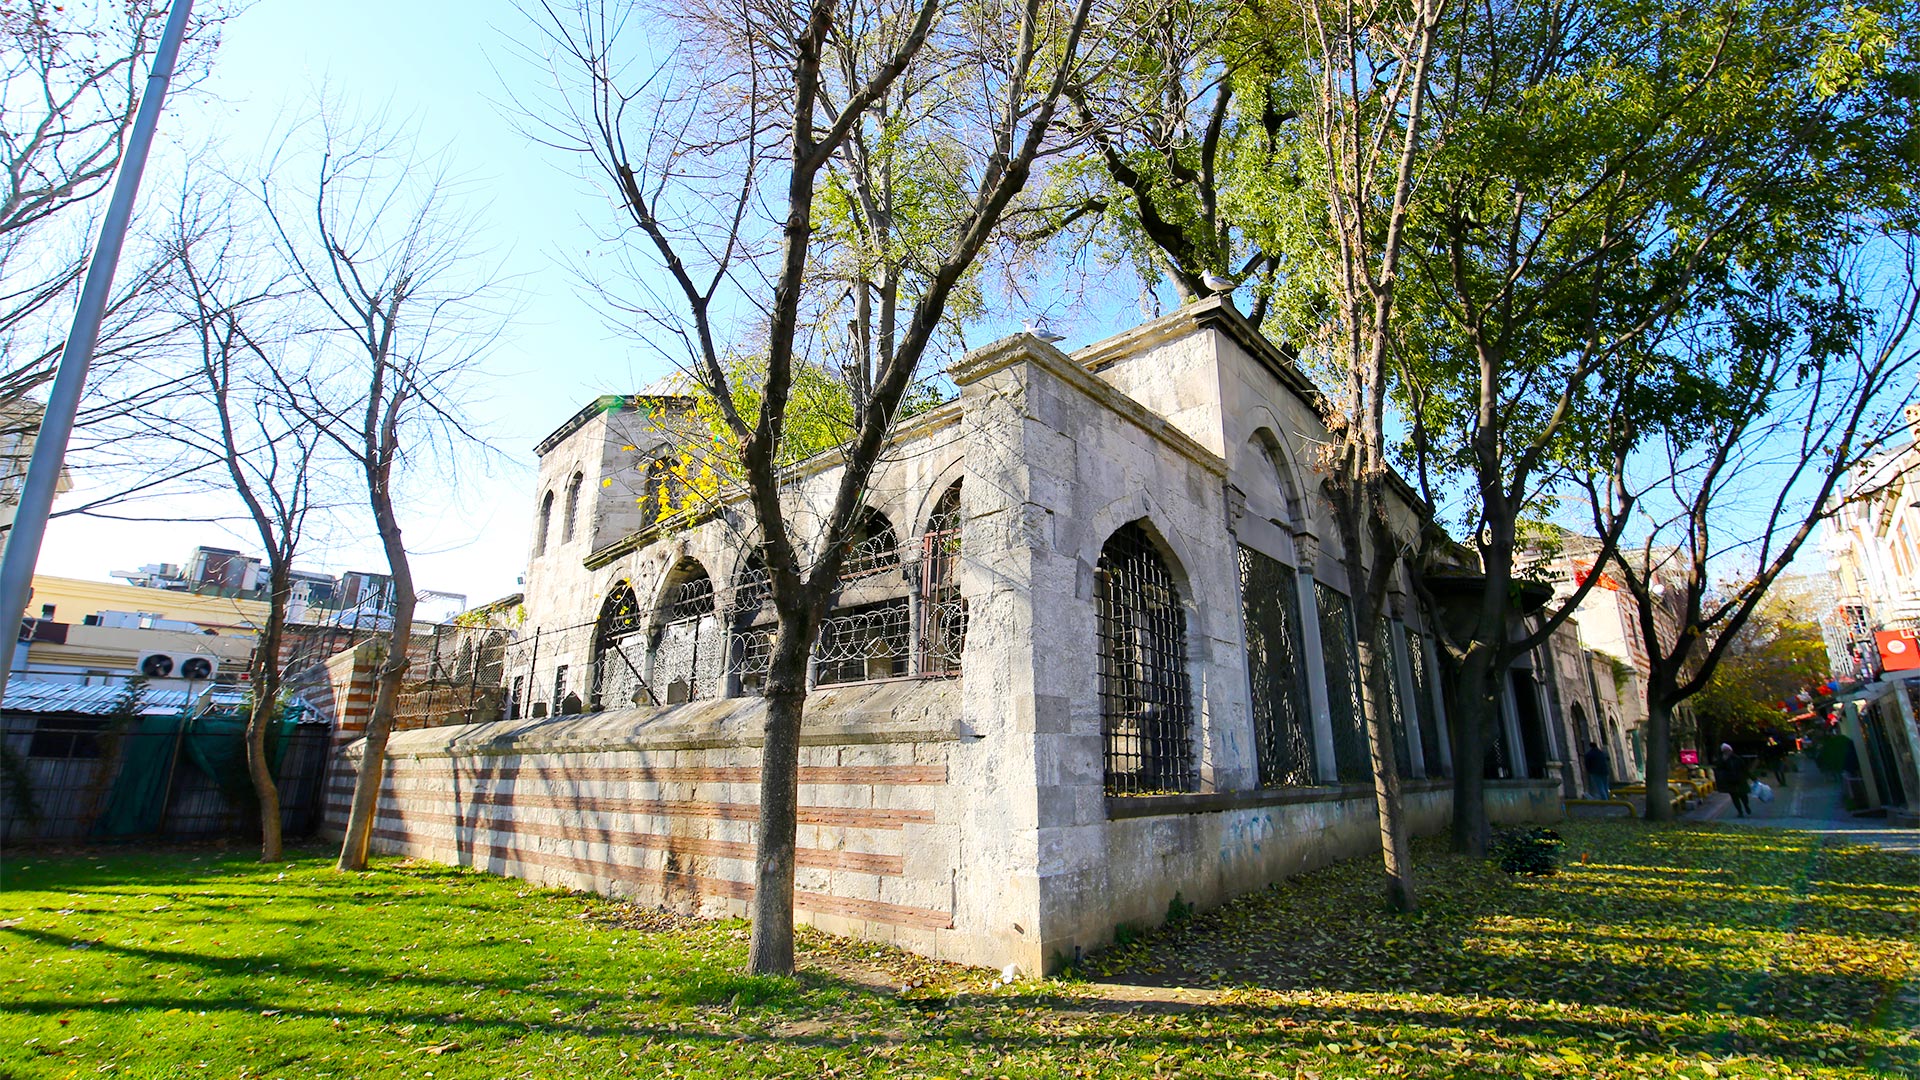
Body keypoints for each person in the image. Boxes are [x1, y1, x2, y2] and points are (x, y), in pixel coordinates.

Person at [1714, 742, 1753, 817]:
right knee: (1735, 798)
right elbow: (1718, 769)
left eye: (1728, 750)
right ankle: (1740, 811)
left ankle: (1746, 806)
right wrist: (1723, 761)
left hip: (1740, 780)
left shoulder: (1737, 759)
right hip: (1730, 781)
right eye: (1725, 751)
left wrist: (1752, 778)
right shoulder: (1722, 760)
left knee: (1744, 796)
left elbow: (1745, 769)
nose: (1727, 752)